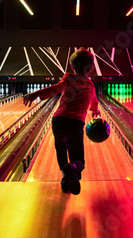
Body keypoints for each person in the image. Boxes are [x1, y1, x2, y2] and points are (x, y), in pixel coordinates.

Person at [23, 48, 100, 195]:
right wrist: (95, 110)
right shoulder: (91, 85)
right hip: (75, 123)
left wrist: (37, 94)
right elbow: (94, 102)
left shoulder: (69, 78)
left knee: (61, 151)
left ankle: (66, 180)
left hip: (58, 120)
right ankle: (73, 170)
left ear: (72, 67)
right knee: (78, 161)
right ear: (91, 68)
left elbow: (56, 89)